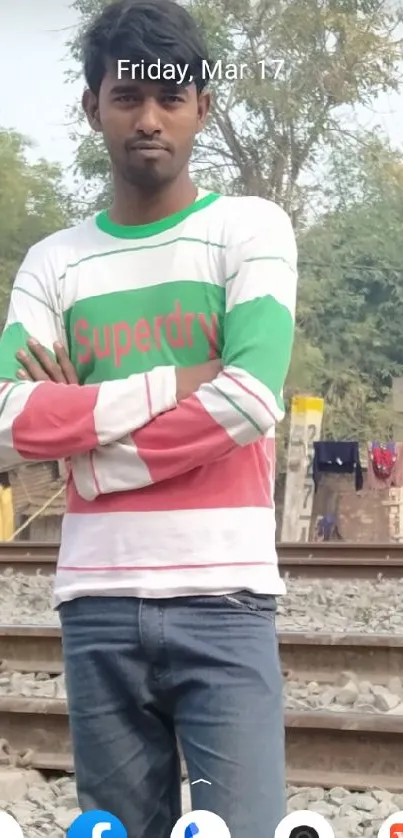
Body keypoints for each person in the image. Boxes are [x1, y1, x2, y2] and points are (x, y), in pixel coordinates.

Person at [0, 1, 298, 836]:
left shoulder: (247, 229)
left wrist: (86, 452)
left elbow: (247, 398)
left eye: (170, 98)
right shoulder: (53, 262)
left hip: (225, 600)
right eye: (127, 95)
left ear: (203, 106)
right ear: (93, 105)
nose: (149, 118)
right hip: (95, 604)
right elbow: (6, 421)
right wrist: (182, 381)